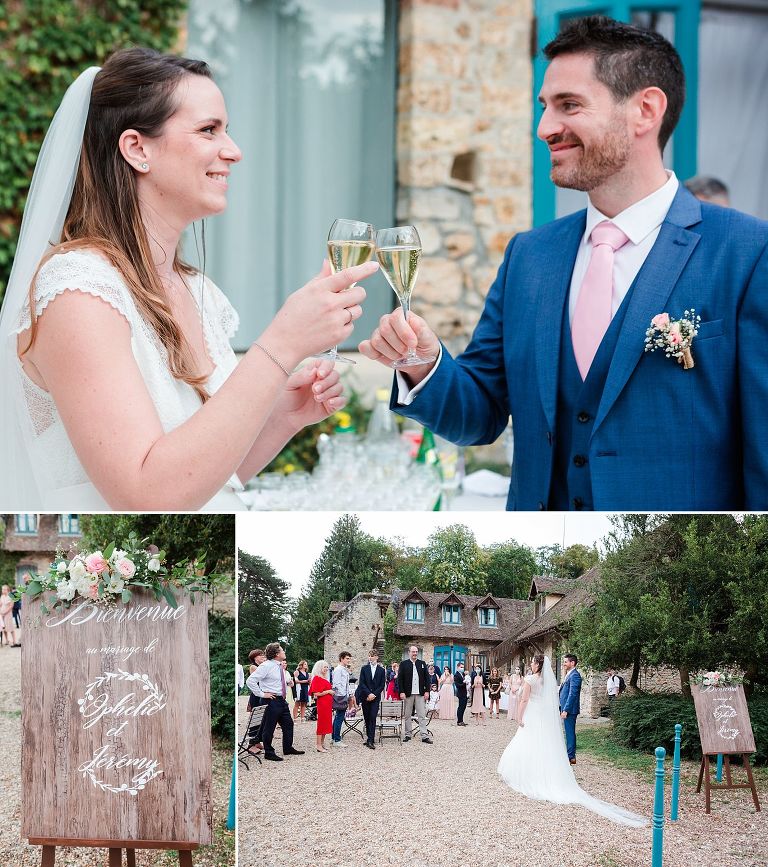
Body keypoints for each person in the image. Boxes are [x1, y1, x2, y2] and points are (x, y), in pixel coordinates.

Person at [360, 15, 768, 512]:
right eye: (544, 107)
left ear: (646, 110)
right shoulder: (530, 256)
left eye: (569, 105)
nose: (544, 128)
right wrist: (424, 365)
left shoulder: (747, 253)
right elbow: (481, 413)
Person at [0, 47, 378, 510]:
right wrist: (281, 345)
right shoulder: (79, 291)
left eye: (226, 130)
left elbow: (207, 480)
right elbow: (146, 494)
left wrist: (282, 418)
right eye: (208, 130)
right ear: (137, 148)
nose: (233, 151)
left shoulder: (200, 293)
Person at [498, 655, 646, 825]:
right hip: (542, 716)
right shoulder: (547, 681)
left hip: (533, 713)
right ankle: (547, 768)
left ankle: (533, 771)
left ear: (538, 665)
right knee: (541, 743)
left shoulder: (531, 679)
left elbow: (525, 699)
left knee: (528, 740)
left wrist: (519, 715)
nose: (530, 664)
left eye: (532, 662)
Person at [250, 642, 305, 762]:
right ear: (276, 654)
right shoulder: (266, 666)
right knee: (269, 727)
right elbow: (251, 681)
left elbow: (276, 681)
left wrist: (287, 683)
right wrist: (262, 694)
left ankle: (288, 747)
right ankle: (269, 752)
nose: (284, 652)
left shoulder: (279, 666)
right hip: (270, 700)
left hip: (281, 700)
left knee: (288, 724)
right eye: (282, 650)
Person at [397, 645, 433, 743]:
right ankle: (408, 734)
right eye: (413, 652)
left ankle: (424, 735)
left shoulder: (422, 663)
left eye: (416, 652)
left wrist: (427, 691)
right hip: (408, 694)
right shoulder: (404, 664)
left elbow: (427, 679)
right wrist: (401, 692)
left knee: (421, 715)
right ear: (409, 652)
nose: (415, 654)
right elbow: (400, 680)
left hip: (420, 693)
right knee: (407, 715)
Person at [356, 648, 386, 750]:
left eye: (372, 656)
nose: (370, 658)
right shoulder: (364, 668)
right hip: (365, 697)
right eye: (369, 656)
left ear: (376, 657)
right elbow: (362, 683)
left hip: (375, 698)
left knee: (373, 717)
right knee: (367, 718)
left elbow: (382, 685)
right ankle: (369, 737)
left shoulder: (382, 670)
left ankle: (371, 740)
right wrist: (368, 694)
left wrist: (374, 694)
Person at [559, 654, 582, 764]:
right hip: (565, 708)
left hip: (570, 710)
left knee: (570, 732)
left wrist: (566, 710)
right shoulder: (569, 674)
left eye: (565, 662)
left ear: (572, 663)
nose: (563, 664)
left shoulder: (575, 676)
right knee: (568, 732)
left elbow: (573, 694)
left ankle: (571, 756)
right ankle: (570, 755)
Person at [309, 660, 334, 752]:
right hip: (322, 704)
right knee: (321, 723)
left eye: (327, 667)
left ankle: (322, 744)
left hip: (327, 704)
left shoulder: (324, 678)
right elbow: (316, 693)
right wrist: (328, 691)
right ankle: (318, 745)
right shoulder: (317, 678)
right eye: (324, 667)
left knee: (326, 723)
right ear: (319, 668)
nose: (326, 669)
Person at [331, 651, 354, 748]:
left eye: (349, 658)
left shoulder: (344, 669)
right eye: (347, 658)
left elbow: (345, 683)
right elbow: (336, 684)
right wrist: (343, 695)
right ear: (341, 658)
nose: (349, 660)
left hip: (344, 695)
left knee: (338, 717)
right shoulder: (338, 669)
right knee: (339, 718)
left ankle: (334, 738)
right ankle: (337, 739)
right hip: (340, 696)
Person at [454, 662, 468, 727]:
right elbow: (457, 685)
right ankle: (459, 721)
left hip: (465, 693)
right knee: (460, 707)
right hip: (460, 693)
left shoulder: (462, 674)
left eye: (463, 667)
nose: (462, 668)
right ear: (458, 667)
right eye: (461, 667)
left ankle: (461, 720)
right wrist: (464, 683)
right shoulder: (456, 675)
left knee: (464, 707)